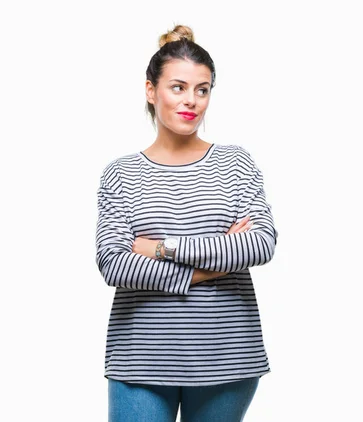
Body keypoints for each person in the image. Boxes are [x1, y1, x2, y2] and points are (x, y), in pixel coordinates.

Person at [95, 24, 278, 422]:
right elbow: (114, 263)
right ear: (150, 90)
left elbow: (260, 244)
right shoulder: (121, 175)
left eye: (202, 89)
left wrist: (161, 248)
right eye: (178, 87)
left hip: (227, 357)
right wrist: (211, 267)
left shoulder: (235, 163)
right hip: (140, 359)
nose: (191, 101)